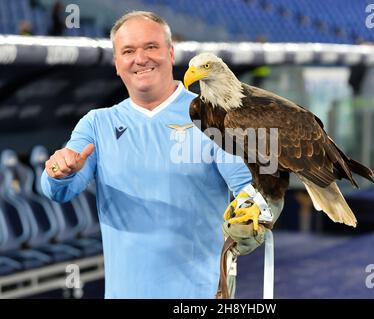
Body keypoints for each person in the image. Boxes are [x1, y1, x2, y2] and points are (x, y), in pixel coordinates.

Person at [41, 11, 268, 299]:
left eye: (151, 47)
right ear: (116, 63)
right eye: (128, 51)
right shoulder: (97, 124)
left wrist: (253, 220)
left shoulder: (214, 118)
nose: (141, 58)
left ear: (170, 54)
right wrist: (58, 172)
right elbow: (57, 190)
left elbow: (252, 193)